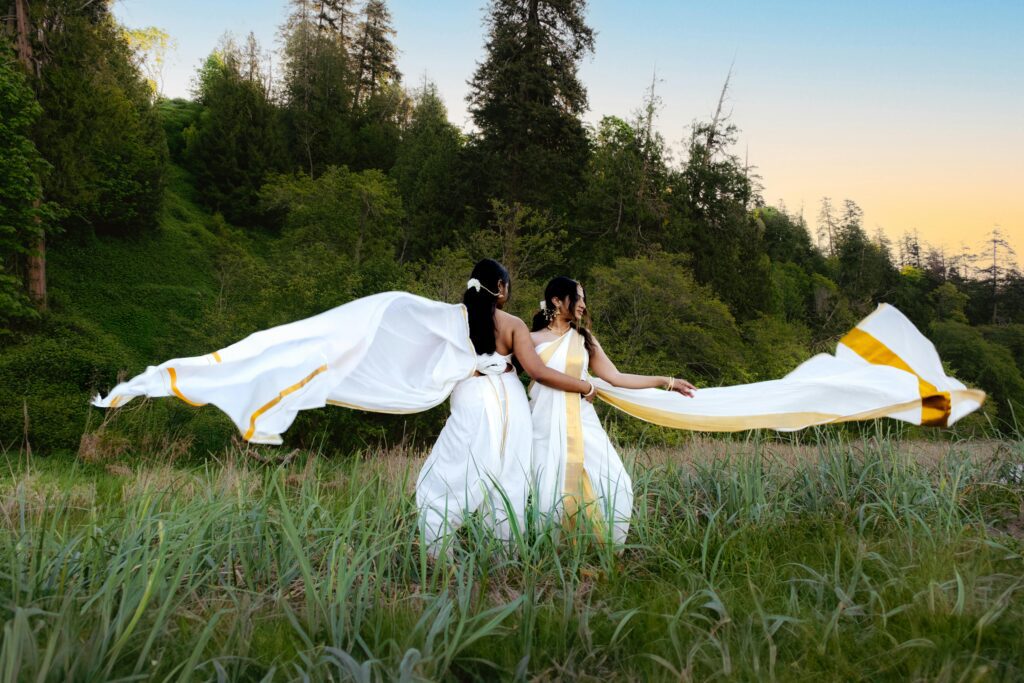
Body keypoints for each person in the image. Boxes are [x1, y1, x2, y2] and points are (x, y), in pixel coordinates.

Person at [415, 260, 596, 555]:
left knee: (456, 462)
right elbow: (537, 370)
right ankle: (503, 553)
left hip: (470, 396)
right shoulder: (512, 324)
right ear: (499, 287)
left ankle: (436, 546)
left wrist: (471, 368)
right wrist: (585, 386)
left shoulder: (454, 321)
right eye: (507, 286)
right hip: (509, 402)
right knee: (509, 473)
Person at [529, 276, 696, 544]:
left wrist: (666, 381)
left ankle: (604, 548)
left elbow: (616, 377)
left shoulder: (583, 339)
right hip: (545, 423)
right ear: (557, 301)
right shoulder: (530, 339)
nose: (583, 304)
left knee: (616, 481)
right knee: (549, 489)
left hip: (583, 422)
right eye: (578, 297)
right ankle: (551, 554)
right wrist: (584, 386)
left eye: (585, 298)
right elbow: (528, 373)